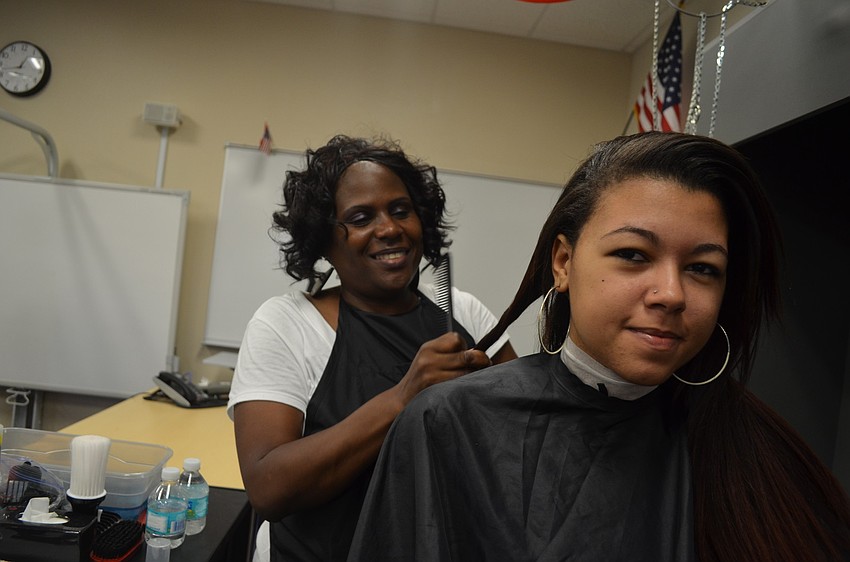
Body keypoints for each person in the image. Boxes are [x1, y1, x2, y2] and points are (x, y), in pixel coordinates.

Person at [348, 131, 850, 562]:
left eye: (702, 268)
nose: (672, 294)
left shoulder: (754, 448)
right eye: (633, 254)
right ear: (564, 262)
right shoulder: (448, 424)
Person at [227, 134, 516, 562]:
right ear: (323, 240)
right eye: (361, 218)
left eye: (401, 211)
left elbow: (519, 445)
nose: (389, 229)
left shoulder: (465, 313)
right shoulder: (286, 324)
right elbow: (268, 488)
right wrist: (403, 398)